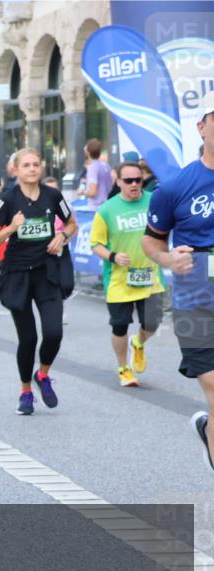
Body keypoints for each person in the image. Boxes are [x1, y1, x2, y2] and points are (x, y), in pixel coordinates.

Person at [142, 105, 214, 474]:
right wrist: (168, 259)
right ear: (201, 127)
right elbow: (151, 241)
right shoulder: (174, 187)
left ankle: (207, 430)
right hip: (195, 303)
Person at [0, 148, 76, 416]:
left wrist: (62, 236)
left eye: (36, 164)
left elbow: (71, 223)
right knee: (28, 338)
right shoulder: (7, 200)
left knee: (54, 332)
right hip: (18, 274)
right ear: (15, 170)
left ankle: (43, 374)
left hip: (48, 272)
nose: (32, 169)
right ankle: (25, 392)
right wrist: (11, 228)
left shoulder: (53, 195)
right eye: (26, 165)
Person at [90, 161, 164, 387]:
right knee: (120, 326)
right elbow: (95, 244)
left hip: (150, 276)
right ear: (119, 182)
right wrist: (112, 256)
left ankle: (138, 343)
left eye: (138, 180)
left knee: (153, 323)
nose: (134, 184)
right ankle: (123, 367)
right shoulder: (107, 210)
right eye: (128, 180)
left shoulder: (154, 201)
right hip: (119, 279)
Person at [77, 138, 113, 211]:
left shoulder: (92, 167)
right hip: (107, 205)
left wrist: (81, 192)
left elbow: (93, 192)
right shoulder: (106, 165)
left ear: (87, 152)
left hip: (96, 208)